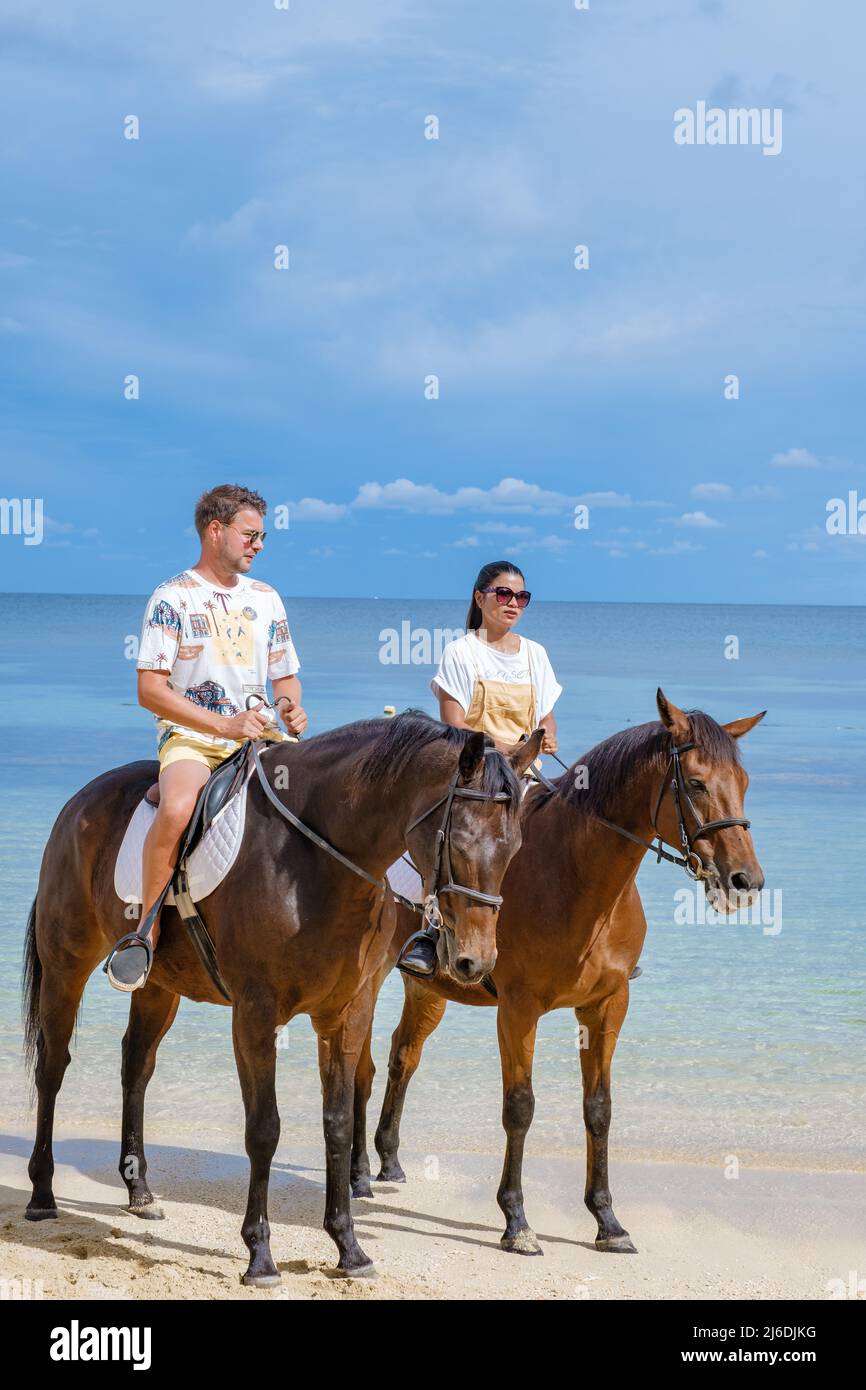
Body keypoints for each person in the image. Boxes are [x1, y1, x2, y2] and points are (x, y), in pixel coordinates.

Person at [105, 484, 308, 992]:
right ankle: (145, 932)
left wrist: (289, 706)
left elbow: (284, 676)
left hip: (259, 735)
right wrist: (221, 725)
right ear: (215, 531)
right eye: (250, 534)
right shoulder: (172, 597)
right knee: (176, 809)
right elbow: (149, 690)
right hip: (192, 739)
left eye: (262, 536)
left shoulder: (266, 599)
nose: (258, 545)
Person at [397, 560, 561, 977]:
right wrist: (504, 747)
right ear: (480, 598)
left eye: (520, 597)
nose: (513, 604)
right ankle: (428, 934)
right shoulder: (461, 652)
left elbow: (547, 717)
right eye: (503, 594)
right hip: (474, 776)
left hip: (524, 774)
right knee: (443, 844)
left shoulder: (535, 654)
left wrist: (546, 735)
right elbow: (453, 725)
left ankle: (589, 934)